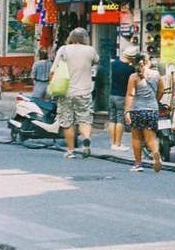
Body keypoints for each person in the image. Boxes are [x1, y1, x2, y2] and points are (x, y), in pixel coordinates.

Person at [50, 28, 98, 158]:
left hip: (66, 92)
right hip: (85, 92)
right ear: (85, 38)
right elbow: (95, 61)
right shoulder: (90, 50)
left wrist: (52, 85)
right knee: (85, 119)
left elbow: (53, 71)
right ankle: (86, 140)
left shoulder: (64, 49)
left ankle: (70, 151)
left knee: (67, 122)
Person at [125, 54, 165, 172]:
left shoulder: (133, 77)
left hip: (137, 110)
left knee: (136, 138)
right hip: (152, 109)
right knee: (151, 138)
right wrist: (155, 100)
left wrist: (127, 111)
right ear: (149, 62)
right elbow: (161, 90)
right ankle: (156, 153)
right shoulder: (157, 75)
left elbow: (130, 94)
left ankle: (138, 164)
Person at [108, 46, 138, 150]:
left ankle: (112, 143)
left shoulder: (114, 63)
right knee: (120, 120)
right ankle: (118, 144)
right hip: (122, 96)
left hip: (112, 94)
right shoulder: (131, 68)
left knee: (112, 119)